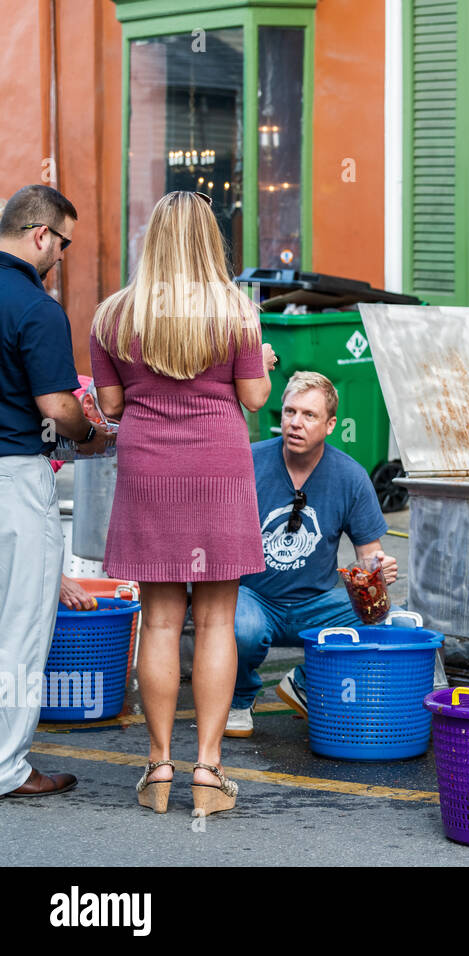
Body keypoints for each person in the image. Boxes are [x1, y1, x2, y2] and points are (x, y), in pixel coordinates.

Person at [90, 191, 276, 817]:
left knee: (162, 619)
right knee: (218, 620)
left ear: (153, 239)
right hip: (218, 468)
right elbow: (253, 398)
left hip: (149, 469)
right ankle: (208, 771)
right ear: (209, 242)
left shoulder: (114, 315)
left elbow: (111, 407)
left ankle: (159, 766)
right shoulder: (236, 312)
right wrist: (264, 362)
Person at [0, 184, 109, 798]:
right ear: (41, 234)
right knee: (18, 629)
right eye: (62, 243)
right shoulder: (35, 306)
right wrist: (89, 431)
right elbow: (56, 407)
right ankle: (7, 768)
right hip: (14, 476)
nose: (62, 256)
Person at [224, 371, 396, 736]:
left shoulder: (349, 476)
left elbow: (369, 554)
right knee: (241, 626)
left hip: (316, 603)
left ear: (331, 424)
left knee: (381, 616)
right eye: (290, 412)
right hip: (254, 597)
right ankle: (239, 699)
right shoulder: (246, 462)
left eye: (309, 415)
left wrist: (376, 570)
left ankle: (303, 682)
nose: (295, 423)